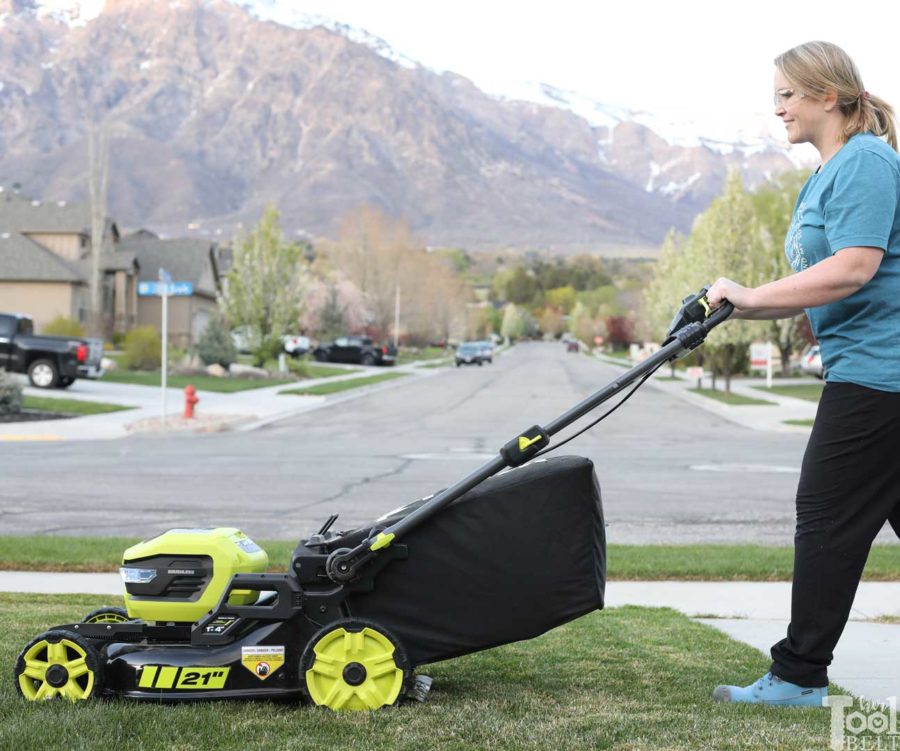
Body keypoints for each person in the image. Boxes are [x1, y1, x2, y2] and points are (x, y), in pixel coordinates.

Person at [706, 40, 900, 706]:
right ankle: (798, 674)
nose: (779, 109)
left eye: (788, 95)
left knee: (825, 518)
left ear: (826, 95)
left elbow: (854, 267)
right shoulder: (827, 172)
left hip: (880, 377)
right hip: (870, 372)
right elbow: (821, 283)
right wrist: (744, 306)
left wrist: (754, 295)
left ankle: (797, 676)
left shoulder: (868, 160)